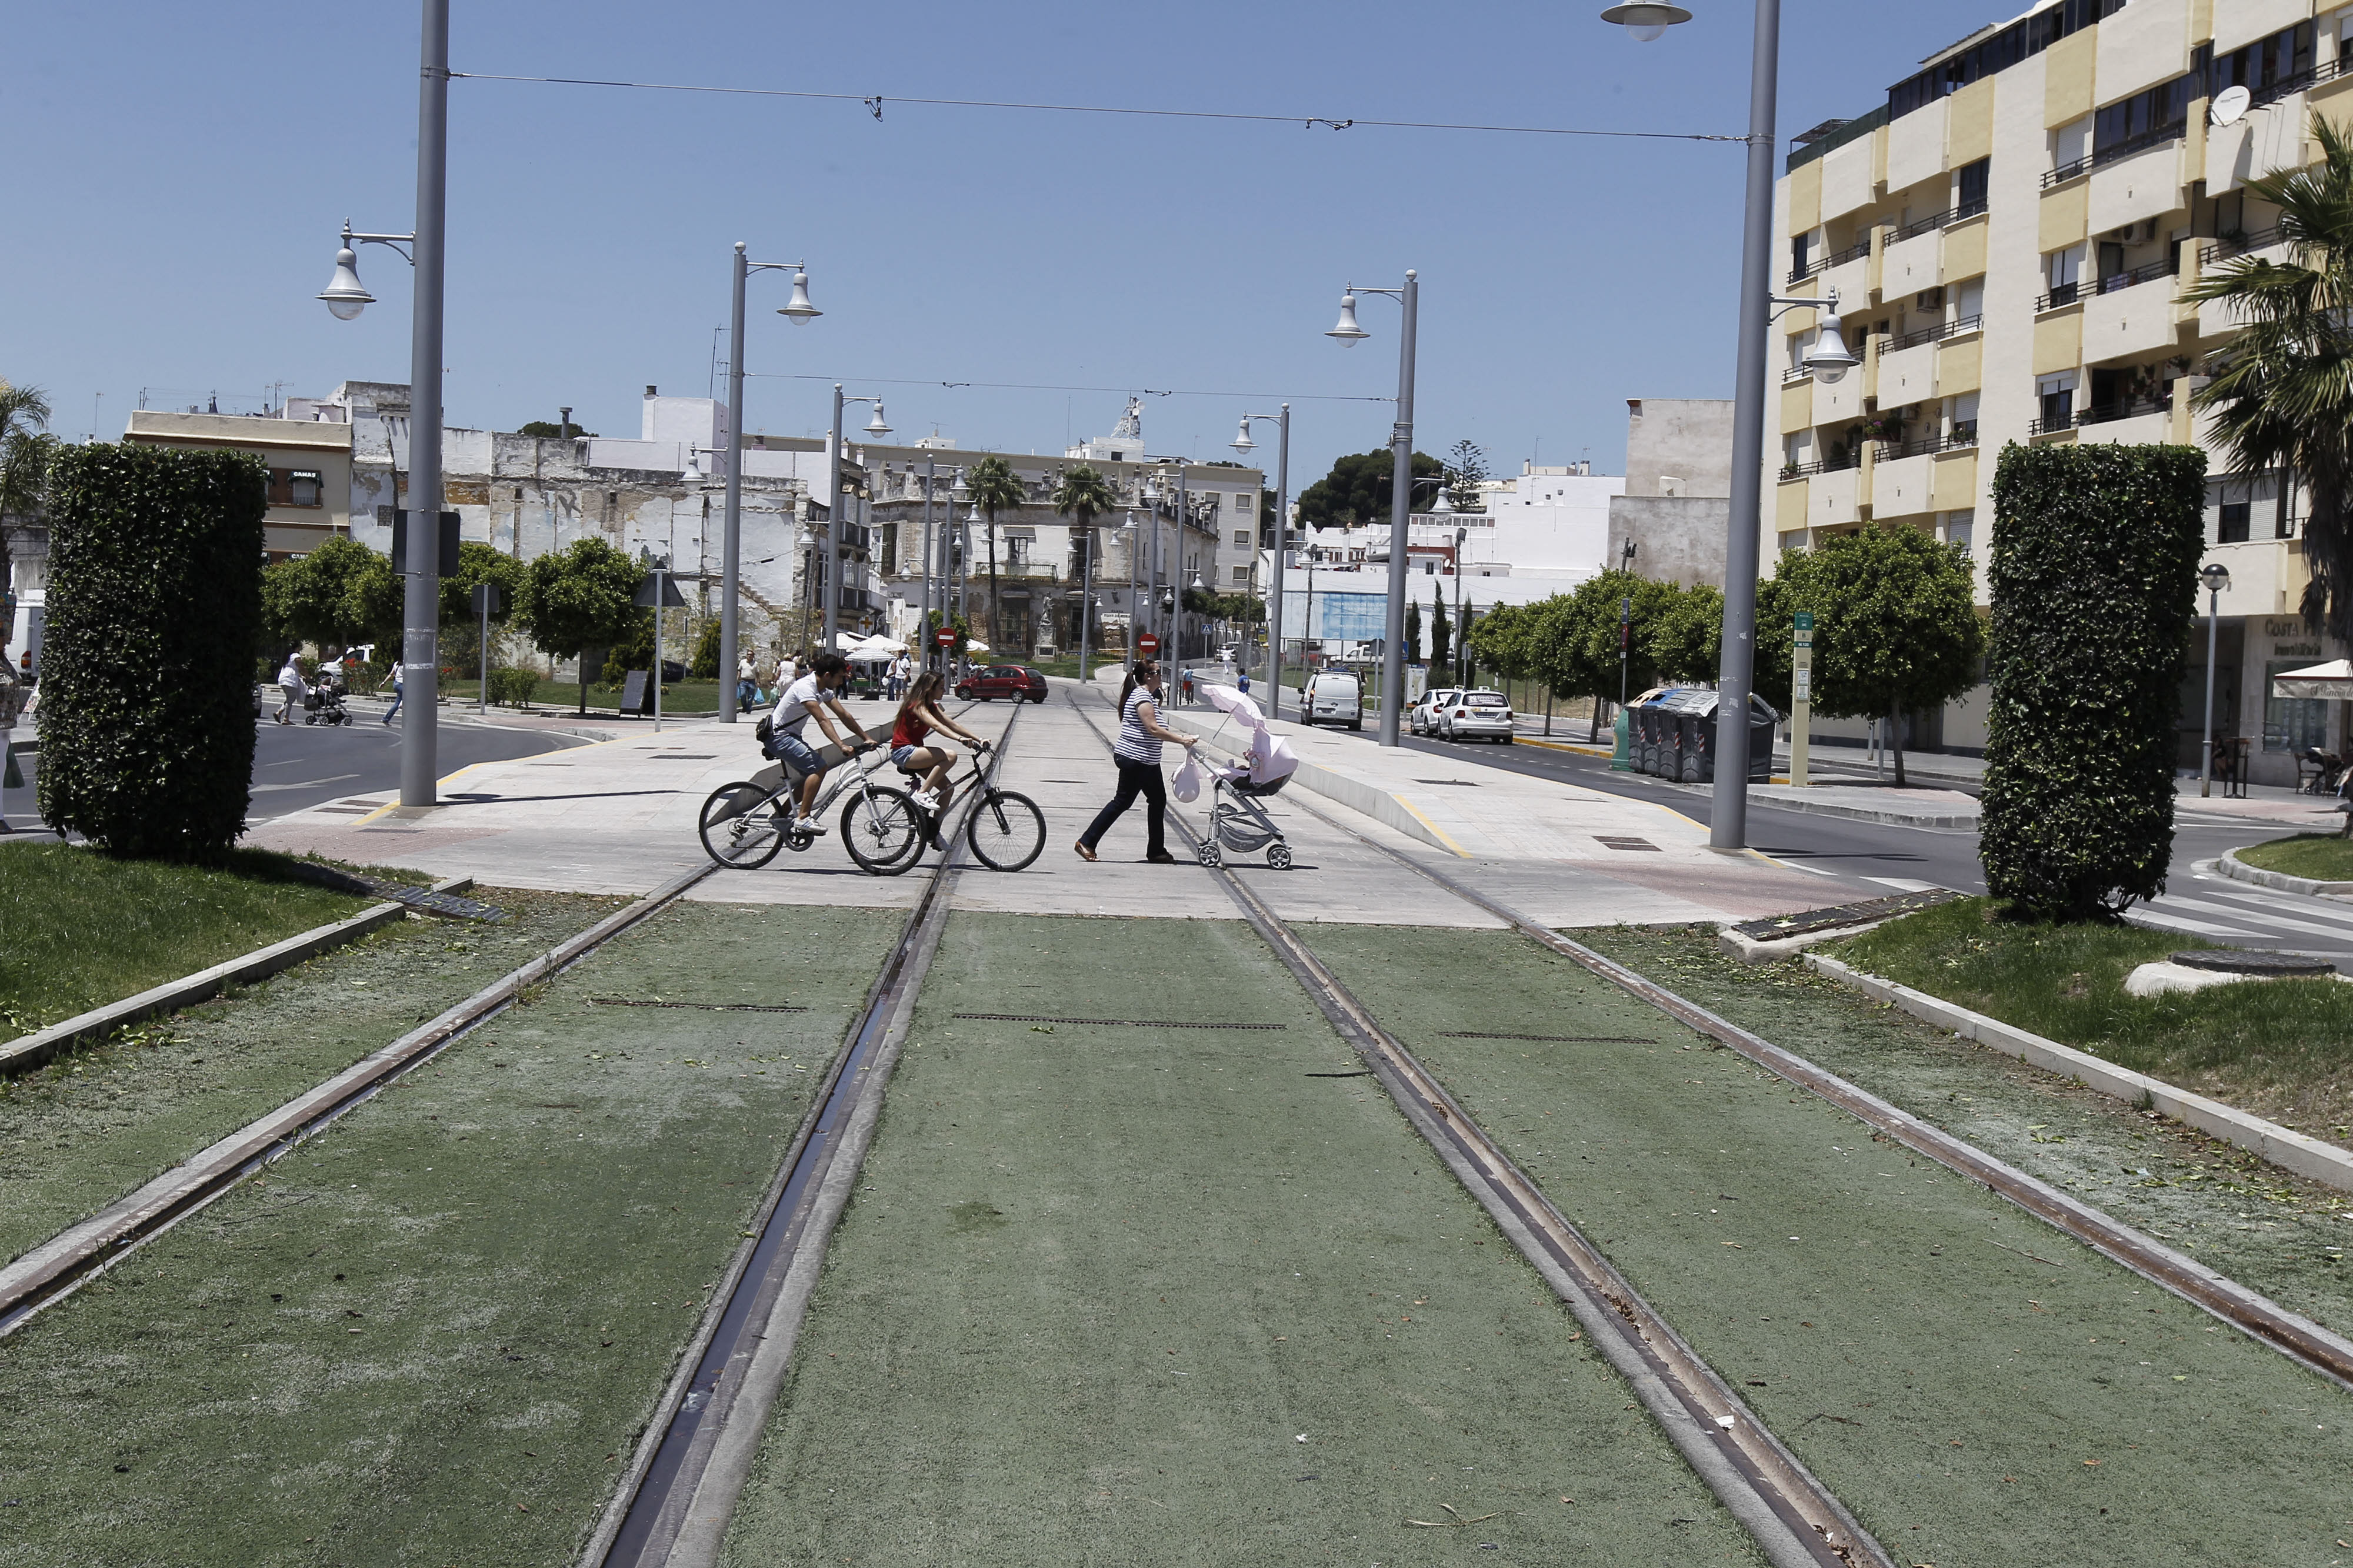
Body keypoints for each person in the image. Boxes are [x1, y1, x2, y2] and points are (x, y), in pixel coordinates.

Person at [1075, 660, 1198, 864]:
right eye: (1158, 672)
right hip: (1136, 758)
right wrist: (1181, 740)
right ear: (1148, 676)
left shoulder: (1148, 696)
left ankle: (1156, 851)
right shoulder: (1141, 696)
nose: (1161, 675)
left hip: (1146, 761)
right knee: (1123, 801)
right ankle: (1087, 841)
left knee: (1156, 801)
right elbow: (1153, 728)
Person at [768, 651, 881, 836]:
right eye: (840, 677)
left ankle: (780, 815)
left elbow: (844, 715)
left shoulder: (824, 690)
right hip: (778, 736)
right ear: (827, 675)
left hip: (790, 736)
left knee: (810, 776)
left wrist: (865, 737)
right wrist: (841, 745)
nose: (842, 681)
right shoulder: (805, 687)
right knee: (819, 768)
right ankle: (803, 817)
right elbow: (822, 720)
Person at [889, 669, 987, 821]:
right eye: (941, 687)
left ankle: (934, 833)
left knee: (947, 790)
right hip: (903, 752)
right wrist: (960, 739)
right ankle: (922, 793)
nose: (945, 690)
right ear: (930, 689)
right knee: (950, 755)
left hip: (915, 752)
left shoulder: (931, 707)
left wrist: (979, 739)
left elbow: (952, 724)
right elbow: (937, 726)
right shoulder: (917, 706)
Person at [276, 652, 306, 726]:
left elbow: (293, 669)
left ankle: (280, 713)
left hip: (283, 678)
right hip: (290, 680)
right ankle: (286, 718)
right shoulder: (296, 656)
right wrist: (308, 676)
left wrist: (301, 676)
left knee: (290, 698)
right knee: (291, 699)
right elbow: (301, 668)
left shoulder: (287, 656)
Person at [382, 661, 404, 725]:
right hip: (403, 685)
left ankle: (386, 719)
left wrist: (384, 682)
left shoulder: (396, 663)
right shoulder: (406, 664)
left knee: (397, 704)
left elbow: (391, 674)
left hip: (396, 684)